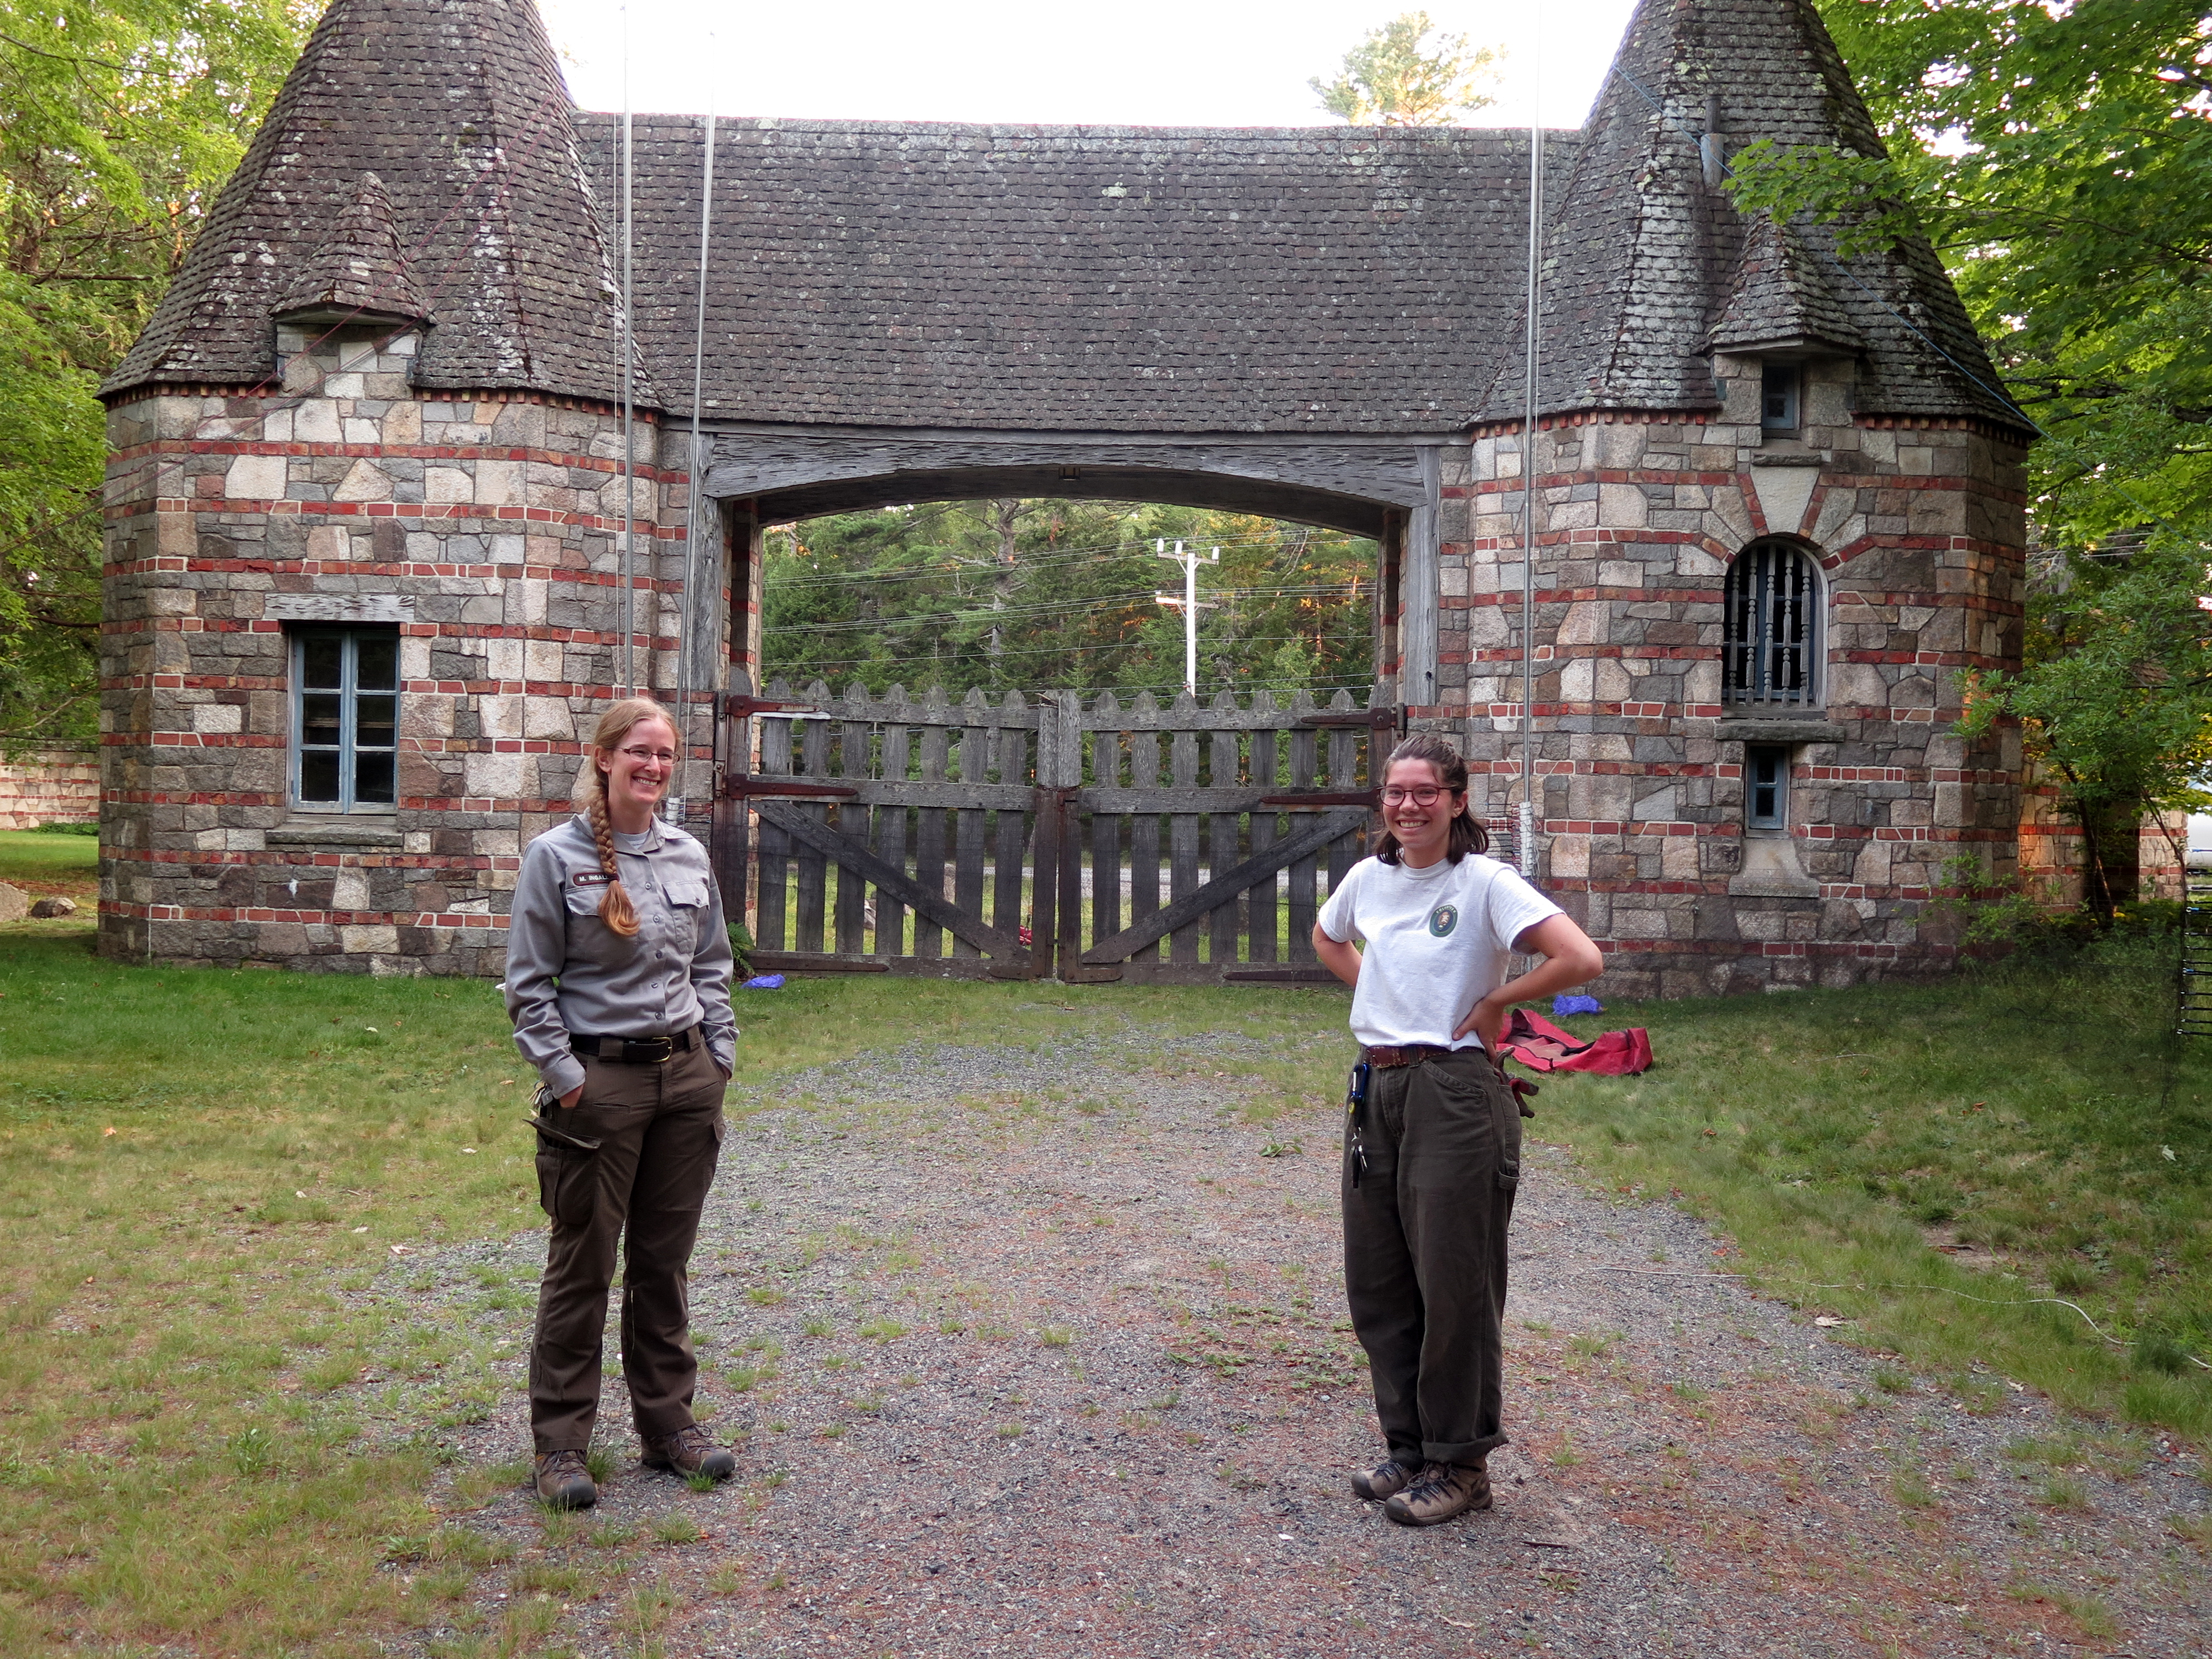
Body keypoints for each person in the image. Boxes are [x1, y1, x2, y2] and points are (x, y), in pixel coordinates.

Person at [1312, 731, 1603, 1527]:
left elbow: (1580, 959)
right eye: (1397, 793)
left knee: (1455, 1284)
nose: (1409, 806)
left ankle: (1461, 1464)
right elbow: (1326, 936)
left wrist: (1499, 1004)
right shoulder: (1368, 879)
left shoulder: (1484, 883)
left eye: (1426, 793)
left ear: (1457, 800)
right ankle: (1408, 1449)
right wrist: (1384, 987)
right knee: (1380, 1282)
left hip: (1455, 1093)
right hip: (1378, 1083)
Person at [504, 696, 739, 1509]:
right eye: (639, 751)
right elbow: (529, 989)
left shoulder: (686, 854)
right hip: (598, 1090)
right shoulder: (554, 858)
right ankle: (562, 1448)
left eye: (666, 755)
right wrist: (569, 1080)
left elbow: (712, 964)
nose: (655, 767)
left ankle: (668, 1426)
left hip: (686, 1082)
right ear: (603, 758)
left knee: (663, 1266)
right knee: (582, 1267)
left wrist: (721, 1057)